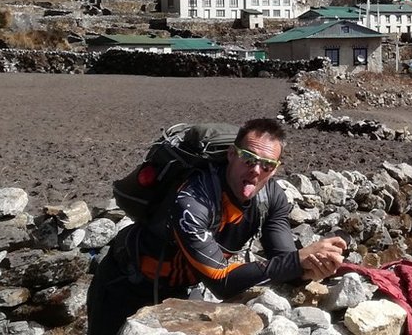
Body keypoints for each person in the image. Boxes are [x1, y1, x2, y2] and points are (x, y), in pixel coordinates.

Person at [86, 118, 347, 335]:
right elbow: (221, 282)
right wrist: (297, 260)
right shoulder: (191, 201)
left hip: (178, 293)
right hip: (124, 286)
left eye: (267, 165)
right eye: (248, 158)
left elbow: (284, 261)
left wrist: (309, 267)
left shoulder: (272, 198)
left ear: (275, 169)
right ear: (232, 155)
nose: (256, 170)